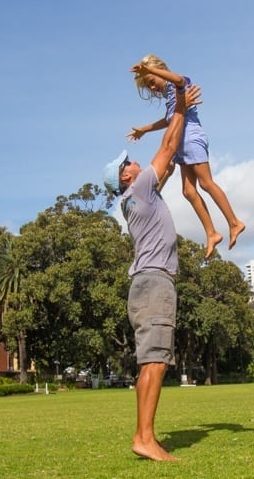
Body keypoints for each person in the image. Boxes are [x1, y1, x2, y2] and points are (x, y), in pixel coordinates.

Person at [102, 84, 202, 462]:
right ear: (125, 178)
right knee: (156, 362)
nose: (133, 162)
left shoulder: (139, 195)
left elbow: (169, 160)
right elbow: (166, 149)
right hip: (155, 280)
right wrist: (180, 106)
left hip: (145, 282)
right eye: (127, 163)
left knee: (151, 363)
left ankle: (145, 436)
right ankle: (144, 438)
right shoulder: (140, 189)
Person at [128, 54, 244, 259]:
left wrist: (150, 71)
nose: (153, 88)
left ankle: (234, 222)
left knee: (206, 183)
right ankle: (212, 233)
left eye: (152, 82)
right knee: (188, 191)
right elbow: (169, 119)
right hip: (181, 144)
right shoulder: (170, 98)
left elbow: (180, 81)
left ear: (159, 71)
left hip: (191, 137)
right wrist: (145, 129)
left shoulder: (177, 83)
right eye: (149, 86)